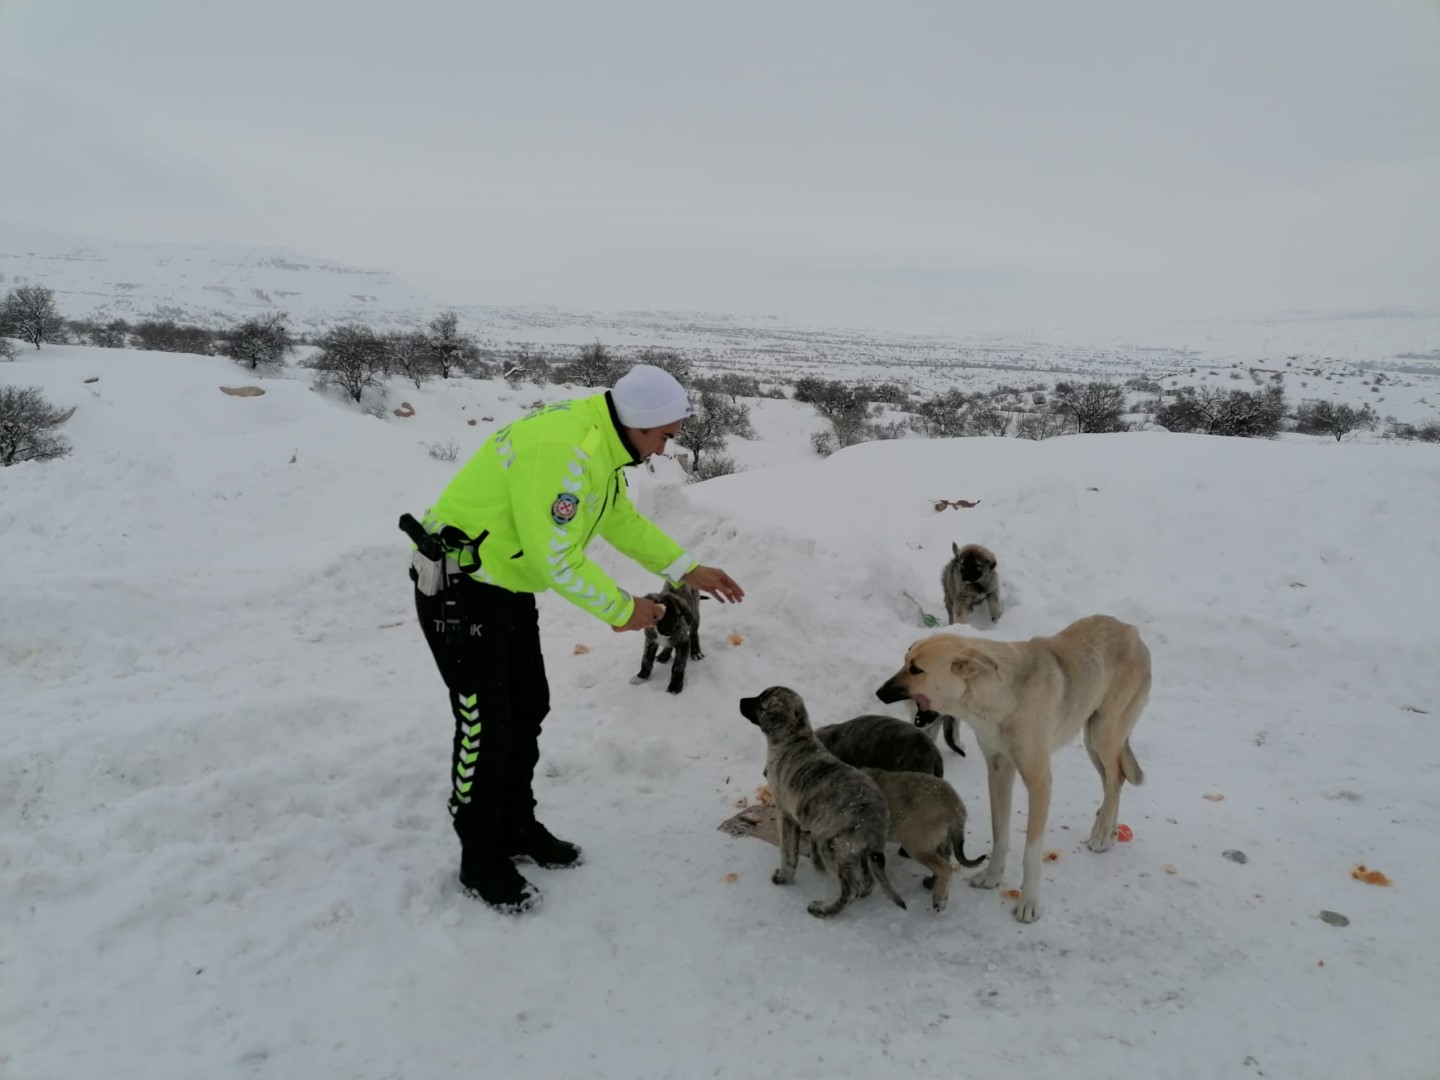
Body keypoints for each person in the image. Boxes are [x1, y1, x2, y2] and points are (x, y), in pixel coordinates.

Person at [405, 364, 745, 913]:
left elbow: (619, 522)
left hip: (504, 587)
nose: (663, 449)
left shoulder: (605, 445)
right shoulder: (565, 450)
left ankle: (516, 825)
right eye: (663, 436)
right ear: (639, 422)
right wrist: (621, 609)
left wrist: (688, 568)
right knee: (485, 726)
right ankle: (479, 854)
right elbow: (554, 556)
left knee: (526, 707)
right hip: (460, 591)